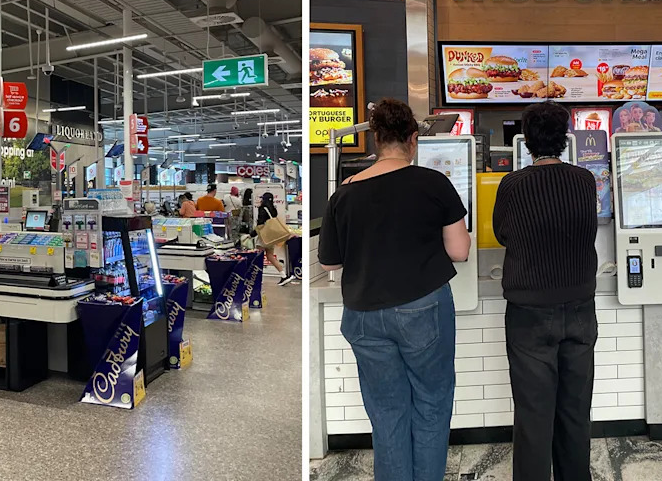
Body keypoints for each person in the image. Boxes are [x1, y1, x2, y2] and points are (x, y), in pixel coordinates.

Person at [319, 98, 471, 481]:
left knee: (387, 413)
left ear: (375, 140)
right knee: (432, 406)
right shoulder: (432, 183)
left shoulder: (344, 193)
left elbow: (329, 263)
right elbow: (459, 250)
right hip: (423, 308)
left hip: (364, 316)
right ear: (413, 139)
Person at [492, 101, 598, 481]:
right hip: (581, 309)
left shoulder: (513, 184)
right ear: (565, 139)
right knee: (574, 410)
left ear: (527, 142)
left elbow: (502, 234)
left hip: (529, 313)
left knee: (534, 414)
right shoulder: (585, 180)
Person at [254, 192, 295, 286]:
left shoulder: (262, 209)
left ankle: (257, 279)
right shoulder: (273, 210)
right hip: (272, 237)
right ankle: (284, 275)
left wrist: (252, 234)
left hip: (263, 237)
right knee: (270, 256)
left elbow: (260, 224)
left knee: (258, 257)